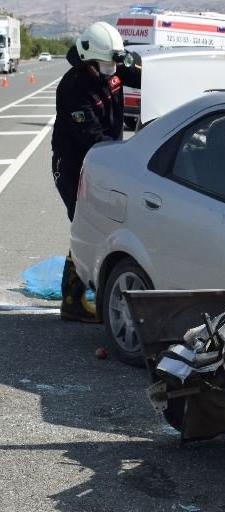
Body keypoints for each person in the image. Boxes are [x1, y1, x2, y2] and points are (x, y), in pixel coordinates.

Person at [52, 21, 141, 322]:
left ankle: (87, 290)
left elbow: (145, 75)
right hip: (75, 165)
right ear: (87, 60)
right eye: (105, 67)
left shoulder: (111, 64)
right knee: (86, 224)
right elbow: (92, 138)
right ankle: (72, 299)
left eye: (114, 65)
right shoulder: (73, 88)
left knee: (105, 224)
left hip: (106, 160)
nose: (111, 72)